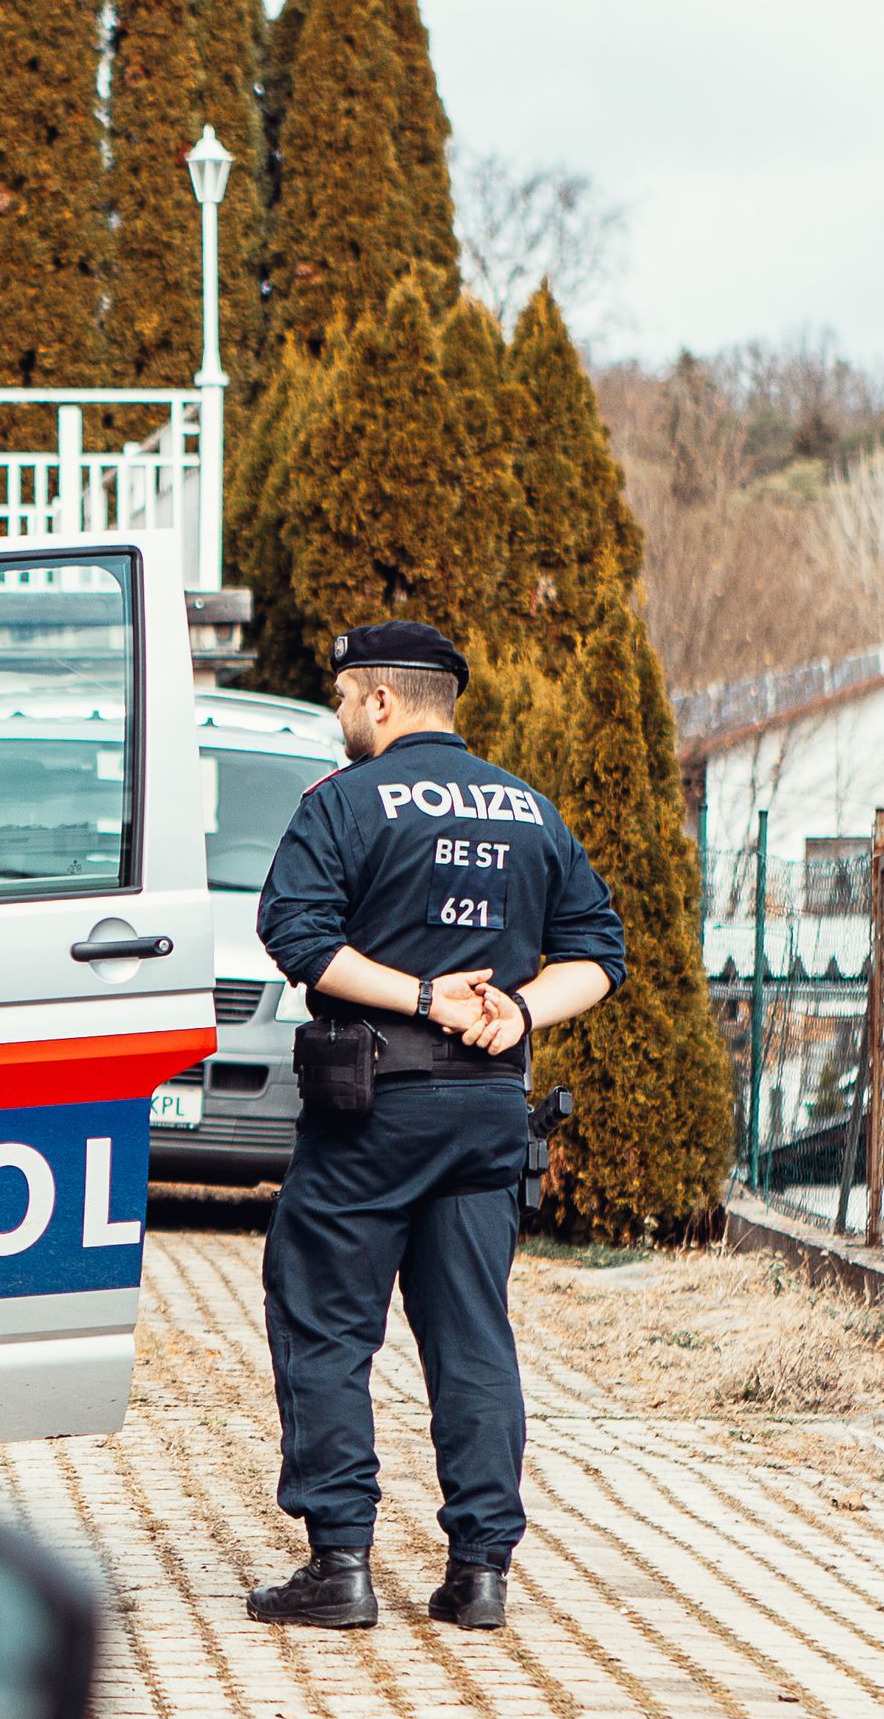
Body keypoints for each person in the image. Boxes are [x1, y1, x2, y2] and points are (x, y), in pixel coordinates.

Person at [244, 621, 627, 1632]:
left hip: (372, 1107)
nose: (337, 720)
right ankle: (480, 1572)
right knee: (470, 1337)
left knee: (324, 1319)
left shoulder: (342, 803)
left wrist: (419, 995)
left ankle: (338, 1567)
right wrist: (515, 1009)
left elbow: (297, 938)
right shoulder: (530, 811)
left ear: (378, 701)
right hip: (490, 1108)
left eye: (339, 701)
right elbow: (599, 953)